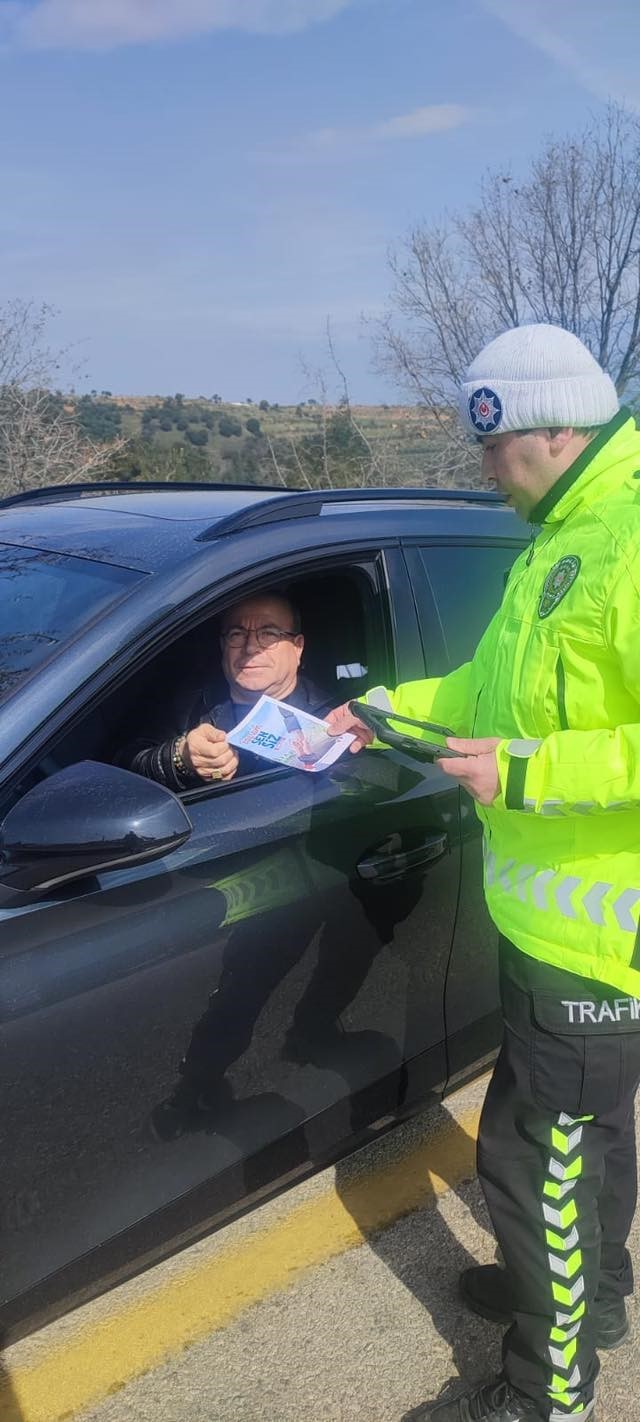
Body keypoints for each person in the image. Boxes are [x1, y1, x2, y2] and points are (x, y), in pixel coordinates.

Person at [328, 323, 640, 1422]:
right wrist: (380, 711)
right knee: (583, 1142)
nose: (482, 471)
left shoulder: (631, 535)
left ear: (550, 431)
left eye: (490, 449)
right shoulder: (566, 534)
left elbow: (528, 744)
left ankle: (547, 1394)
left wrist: (528, 773)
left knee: (532, 1164)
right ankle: (590, 1302)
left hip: (603, 935)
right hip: (552, 926)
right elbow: (483, 692)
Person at [120, 591, 333, 789]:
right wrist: (179, 758)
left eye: (269, 634)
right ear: (223, 646)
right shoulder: (189, 703)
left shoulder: (330, 722)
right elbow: (124, 769)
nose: (250, 647)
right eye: (237, 634)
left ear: (298, 647)